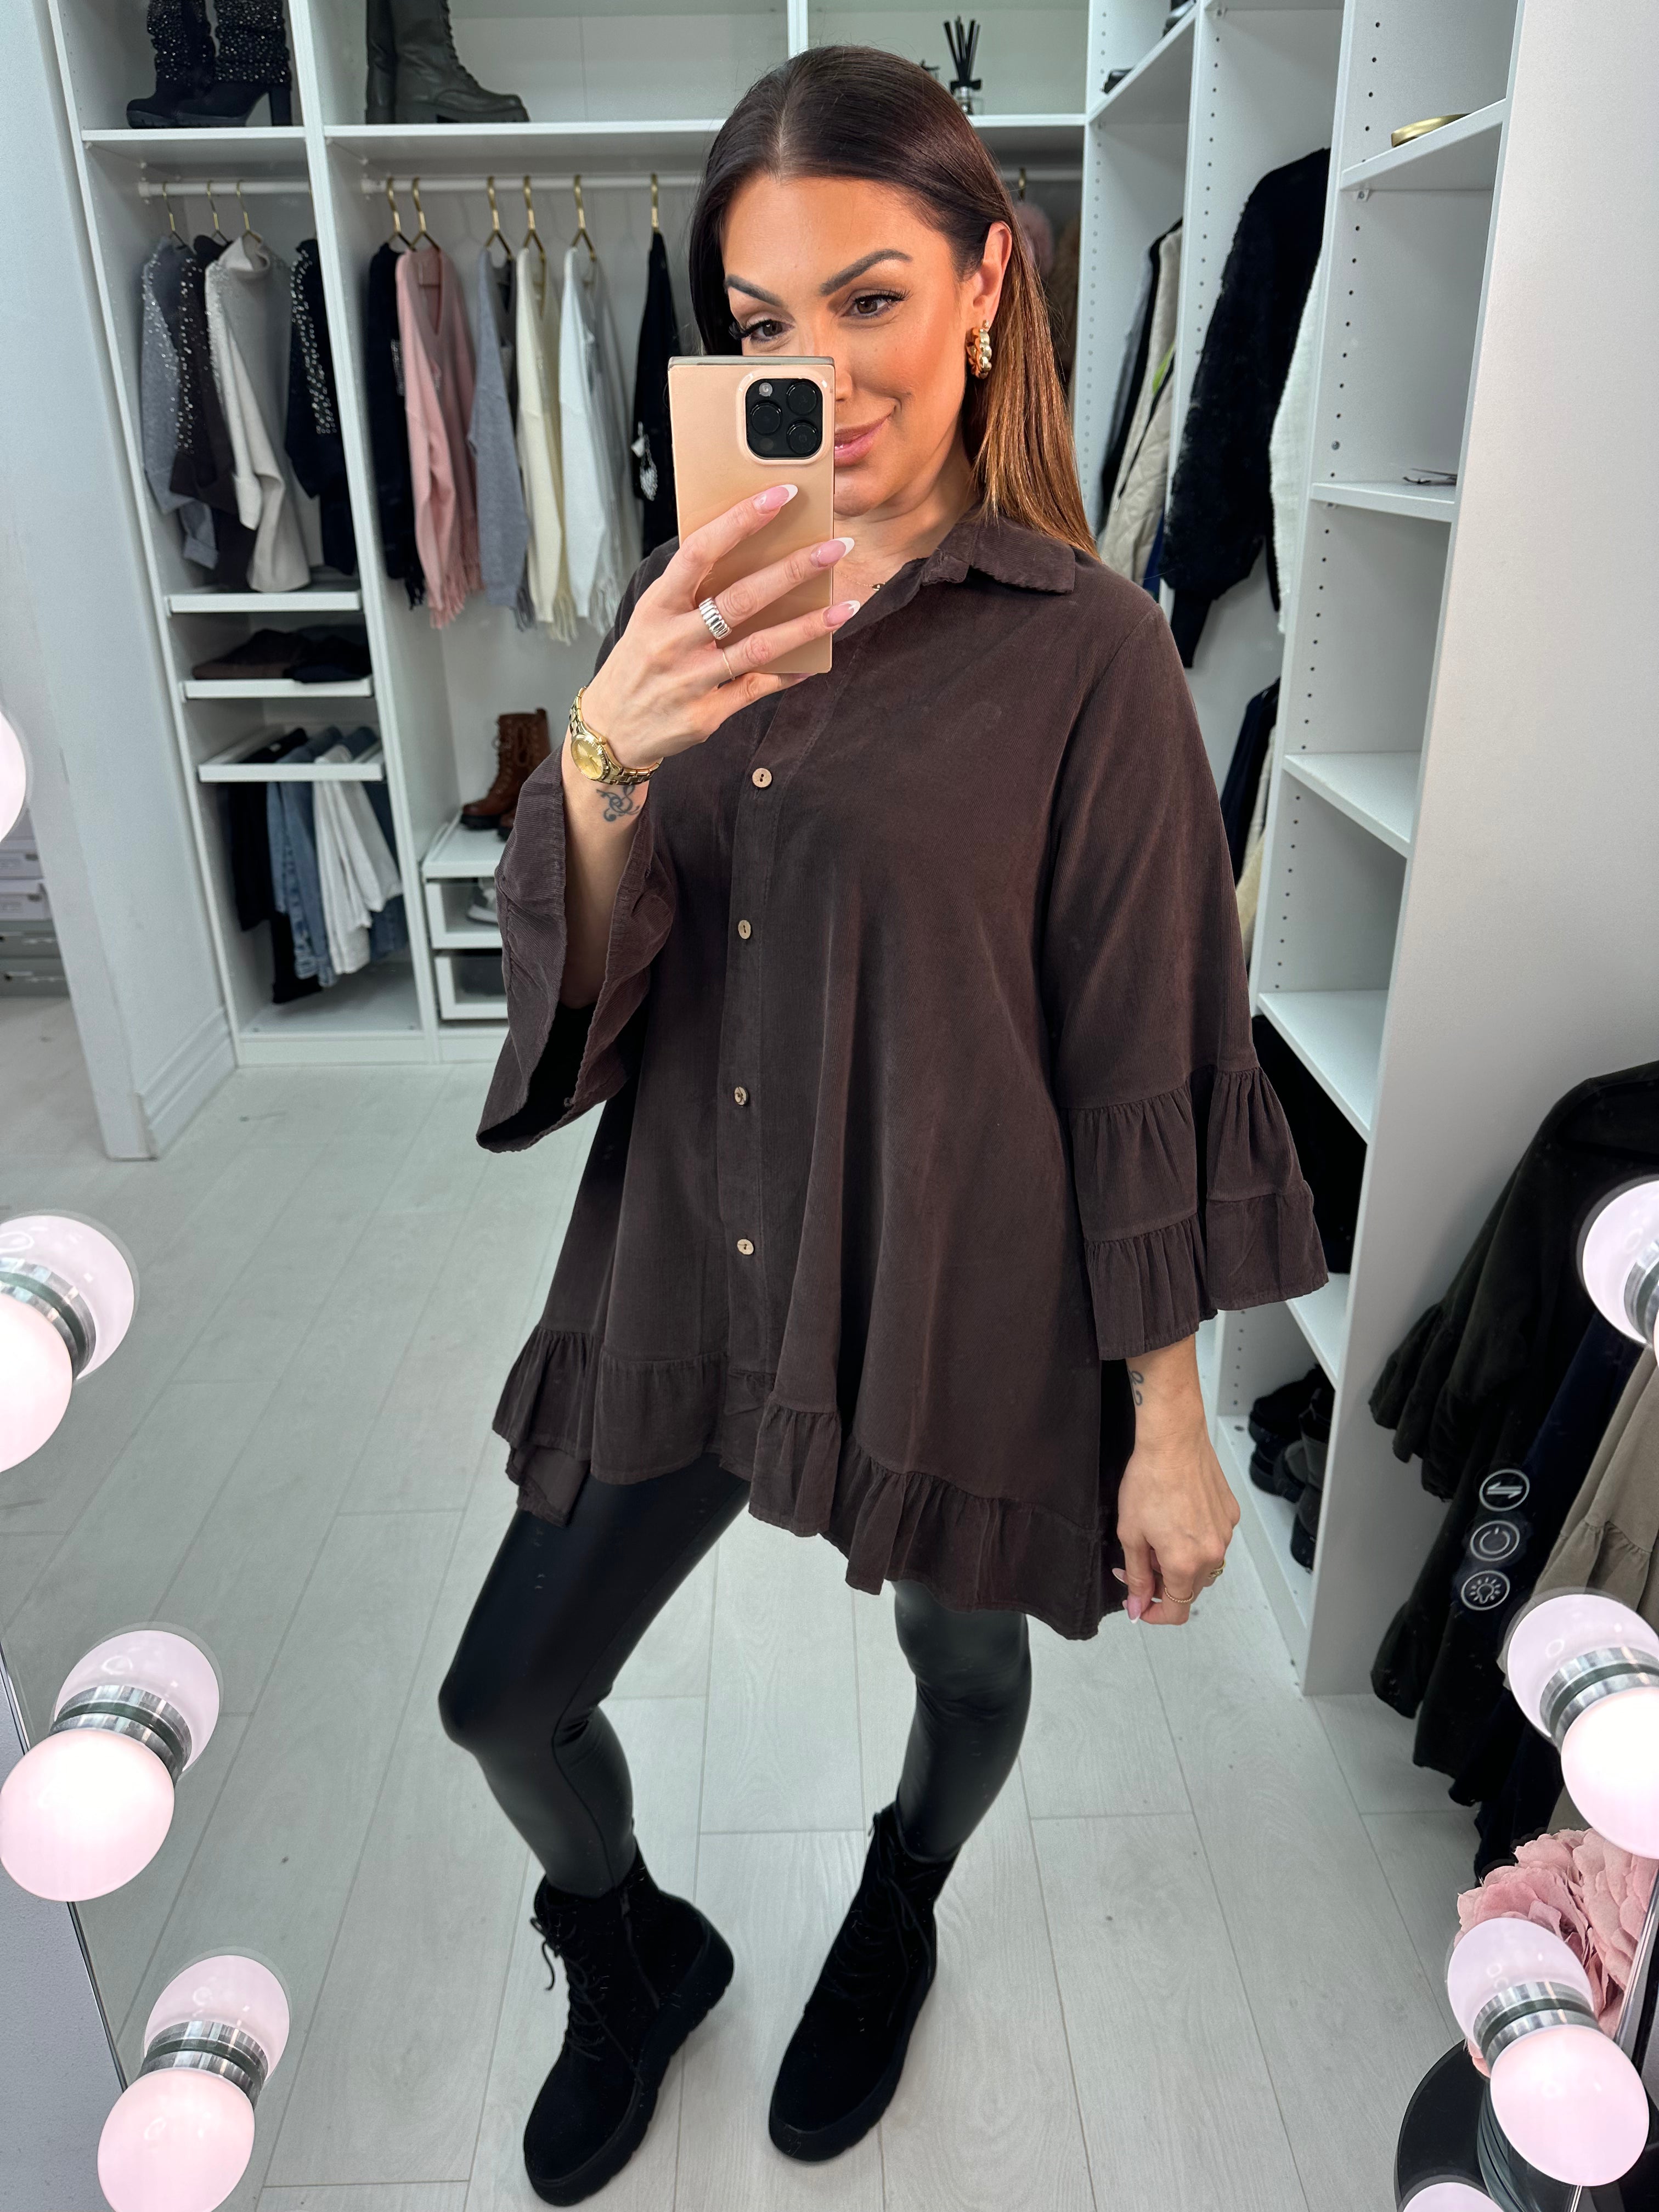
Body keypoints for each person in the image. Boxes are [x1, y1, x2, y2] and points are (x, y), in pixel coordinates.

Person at [439, 43, 1325, 2206]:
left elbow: (1144, 1046)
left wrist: (1171, 1421)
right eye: (764, 320)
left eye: (873, 298)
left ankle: (902, 1898)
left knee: (965, 1650)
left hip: (946, 1271)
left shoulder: (1093, 657)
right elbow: (595, 990)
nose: (820, 371)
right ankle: (631, 1948)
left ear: (989, 287)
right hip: (693, 1248)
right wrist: (609, 750)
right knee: (505, 1700)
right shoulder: (693, 604)